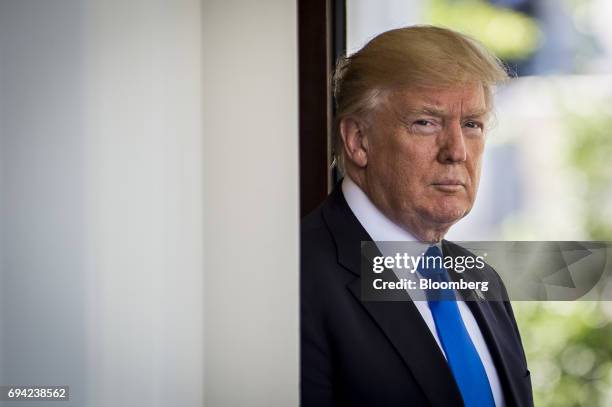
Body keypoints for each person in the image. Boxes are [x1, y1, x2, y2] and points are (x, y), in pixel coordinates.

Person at [301, 26, 533, 407]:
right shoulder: (292, 282)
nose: (456, 151)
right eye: (426, 122)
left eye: (471, 124)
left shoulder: (483, 278)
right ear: (358, 141)